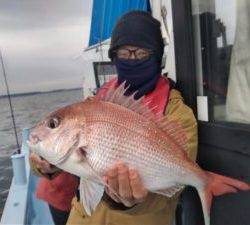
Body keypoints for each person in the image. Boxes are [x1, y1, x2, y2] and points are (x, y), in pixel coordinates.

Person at [30, 10, 197, 225]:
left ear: (157, 56)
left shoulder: (178, 114)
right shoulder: (94, 103)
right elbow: (65, 152)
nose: (132, 59)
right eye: (124, 53)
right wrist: (44, 163)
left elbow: (171, 190)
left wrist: (130, 202)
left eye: (142, 52)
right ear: (113, 57)